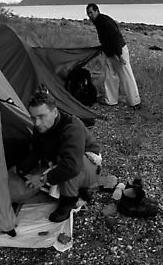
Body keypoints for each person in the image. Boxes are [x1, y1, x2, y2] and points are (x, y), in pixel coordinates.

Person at [13, 90, 102, 222]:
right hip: (62, 163)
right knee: (24, 185)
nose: (36, 123)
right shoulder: (41, 127)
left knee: (66, 162)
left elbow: (72, 166)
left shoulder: (72, 127)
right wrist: (22, 169)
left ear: (55, 112)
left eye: (41, 116)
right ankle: (78, 189)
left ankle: (69, 201)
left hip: (89, 167)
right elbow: (36, 151)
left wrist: (42, 179)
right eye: (33, 117)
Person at [86, 3, 141, 109]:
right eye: (88, 13)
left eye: (91, 13)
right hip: (110, 52)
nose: (89, 16)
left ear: (97, 11)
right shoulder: (98, 22)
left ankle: (135, 102)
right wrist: (104, 48)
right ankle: (111, 100)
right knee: (110, 76)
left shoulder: (105, 21)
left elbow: (115, 38)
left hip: (118, 51)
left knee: (126, 76)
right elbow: (105, 39)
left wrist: (119, 54)